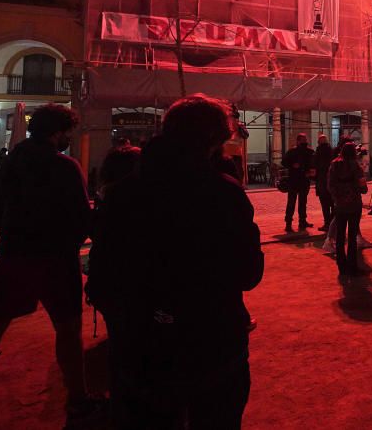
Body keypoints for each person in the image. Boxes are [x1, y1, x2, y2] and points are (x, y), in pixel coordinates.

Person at [87, 94, 263, 428]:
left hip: (140, 343)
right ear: (215, 139)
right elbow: (248, 272)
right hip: (212, 342)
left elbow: (102, 274)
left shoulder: (125, 192)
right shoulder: (222, 193)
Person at [0, 104, 100, 427]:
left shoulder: (9, 162)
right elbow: (81, 216)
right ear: (59, 131)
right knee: (68, 329)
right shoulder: (65, 166)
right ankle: (78, 399)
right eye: (68, 133)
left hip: (14, 253)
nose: (68, 139)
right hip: (55, 256)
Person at [328, 141, 367, 276]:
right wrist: (361, 189)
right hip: (354, 203)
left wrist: (337, 197)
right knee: (351, 236)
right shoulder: (355, 166)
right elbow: (362, 186)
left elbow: (330, 185)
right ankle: (353, 266)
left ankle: (341, 266)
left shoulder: (334, 164)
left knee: (340, 236)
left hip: (340, 204)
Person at [282, 133, 315, 231]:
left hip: (304, 180)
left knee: (303, 202)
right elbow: (284, 162)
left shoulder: (309, 151)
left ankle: (302, 221)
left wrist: (310, 172)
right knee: (291, 202)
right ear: (298, 141)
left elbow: (313, 163)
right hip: (294, 180)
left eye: (305, 139)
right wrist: (292, 165)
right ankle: (288, 223)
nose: (305, 141)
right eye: (303, 139)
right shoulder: (292, 151)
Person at [314, 133, 335, 230]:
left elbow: (316, 166)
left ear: (319, 142)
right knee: (332, 203)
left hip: (322, 181)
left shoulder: (318, 152)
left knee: (325, 204)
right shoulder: (332, 151)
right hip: (331, 181)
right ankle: (333, 222)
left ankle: (327, 223)